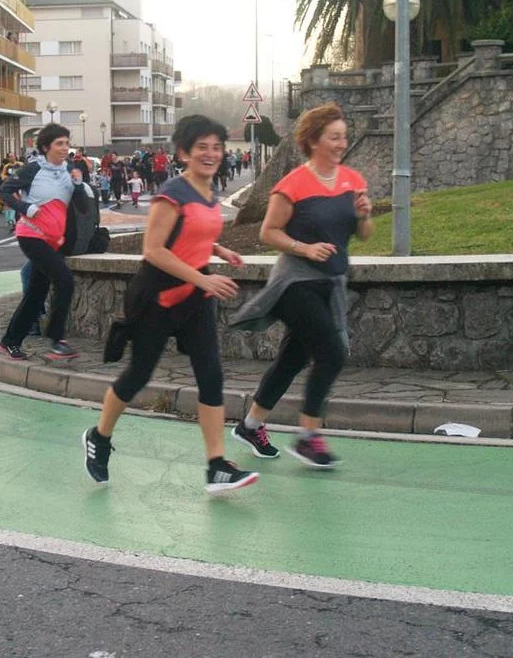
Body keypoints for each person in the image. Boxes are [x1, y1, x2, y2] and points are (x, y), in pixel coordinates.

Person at [81, 115, 259, 495]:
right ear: (183, 153)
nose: (211, 154)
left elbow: (190, 232)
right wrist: (204, 278)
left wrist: (218, 250)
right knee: (138, 375)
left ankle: (217, 465)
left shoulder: (207, 190)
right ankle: (99, 436)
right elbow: (154, 250)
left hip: (194, 296)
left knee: (211, 376)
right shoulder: (172, 193)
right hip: (158, 296)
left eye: (217, 147)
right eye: (202, 147)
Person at [229, 102, 373, 468]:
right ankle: (309, 437)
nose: (342, 144)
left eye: (344, 137)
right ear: (313, 140)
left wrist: (364, 216)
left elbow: (364, 235)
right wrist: (304, 248)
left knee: (293, 358)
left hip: (331, 283)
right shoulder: (292, 184)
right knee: (332, 353)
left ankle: (250, 425)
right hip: (295, 282)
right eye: (334, 137)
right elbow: (268, 232)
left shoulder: (352, 180)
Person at [0, 123, 88, 361]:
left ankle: (10, 341)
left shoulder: (71, 170)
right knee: (64, 280)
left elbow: (83, 208)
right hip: (31, 235)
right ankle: (57, 339)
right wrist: (25, 207)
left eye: (67, 143)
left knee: (36, 294)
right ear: (46, 147)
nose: (65, 148)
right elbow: (4, 191)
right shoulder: (32, 169)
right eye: (59, 143)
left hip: (54, 240)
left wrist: (79, 185)